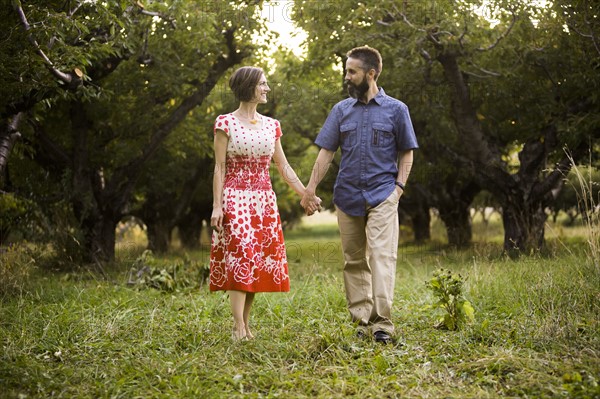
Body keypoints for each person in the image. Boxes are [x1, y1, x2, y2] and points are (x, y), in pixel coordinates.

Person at [301, 46, 418, 344]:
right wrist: (310, 188)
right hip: (348, 196)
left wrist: (398, 190)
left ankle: (383, 324)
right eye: (346, 71)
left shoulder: (396, 109)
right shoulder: (341, 110)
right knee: (353, 260)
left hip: (383, 195)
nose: (346, 77)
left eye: (352, 72)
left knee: (381, 257)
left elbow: (407, 153)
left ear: (371, 73)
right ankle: (361, 321)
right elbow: (325, 154)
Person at [210, 66, 320, 341]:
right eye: (262, 84)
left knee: (255, 261)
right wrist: (217, 206)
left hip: (264, 200)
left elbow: (283, 166)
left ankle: (246, 325)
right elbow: (219, 168)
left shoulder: (272, 125)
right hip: (235, 197)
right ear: (249, 87)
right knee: (241, 259)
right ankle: (237, 327)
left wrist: (305, 193)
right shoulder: (225, 123)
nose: (267, 89)